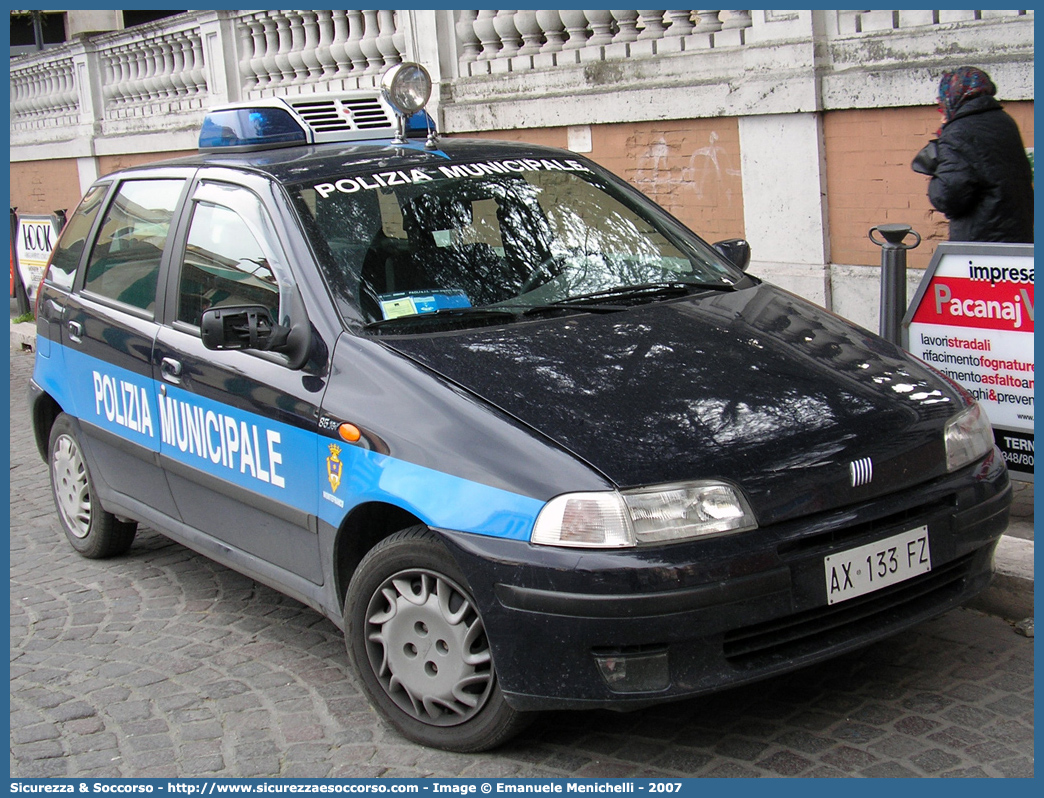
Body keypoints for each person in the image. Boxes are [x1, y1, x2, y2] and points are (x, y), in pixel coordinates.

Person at [911, 66, 1033, 243]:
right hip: (1016, 237)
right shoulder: (1005, 122)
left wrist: (937, 164)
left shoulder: (958, 132)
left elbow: (947, 198)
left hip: (980, 243)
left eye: (941, 106)